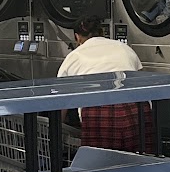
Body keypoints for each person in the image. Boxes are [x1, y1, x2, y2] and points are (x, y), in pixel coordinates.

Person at [57, 18, 153, 154]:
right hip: (136, 108)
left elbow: (61, 99)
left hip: (98, 111)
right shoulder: (123, 47)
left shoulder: (74, 56)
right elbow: (142, 81)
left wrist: (57, 130)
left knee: (101, 161)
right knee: (140, 160)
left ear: (77, 37)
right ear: (102, 32)